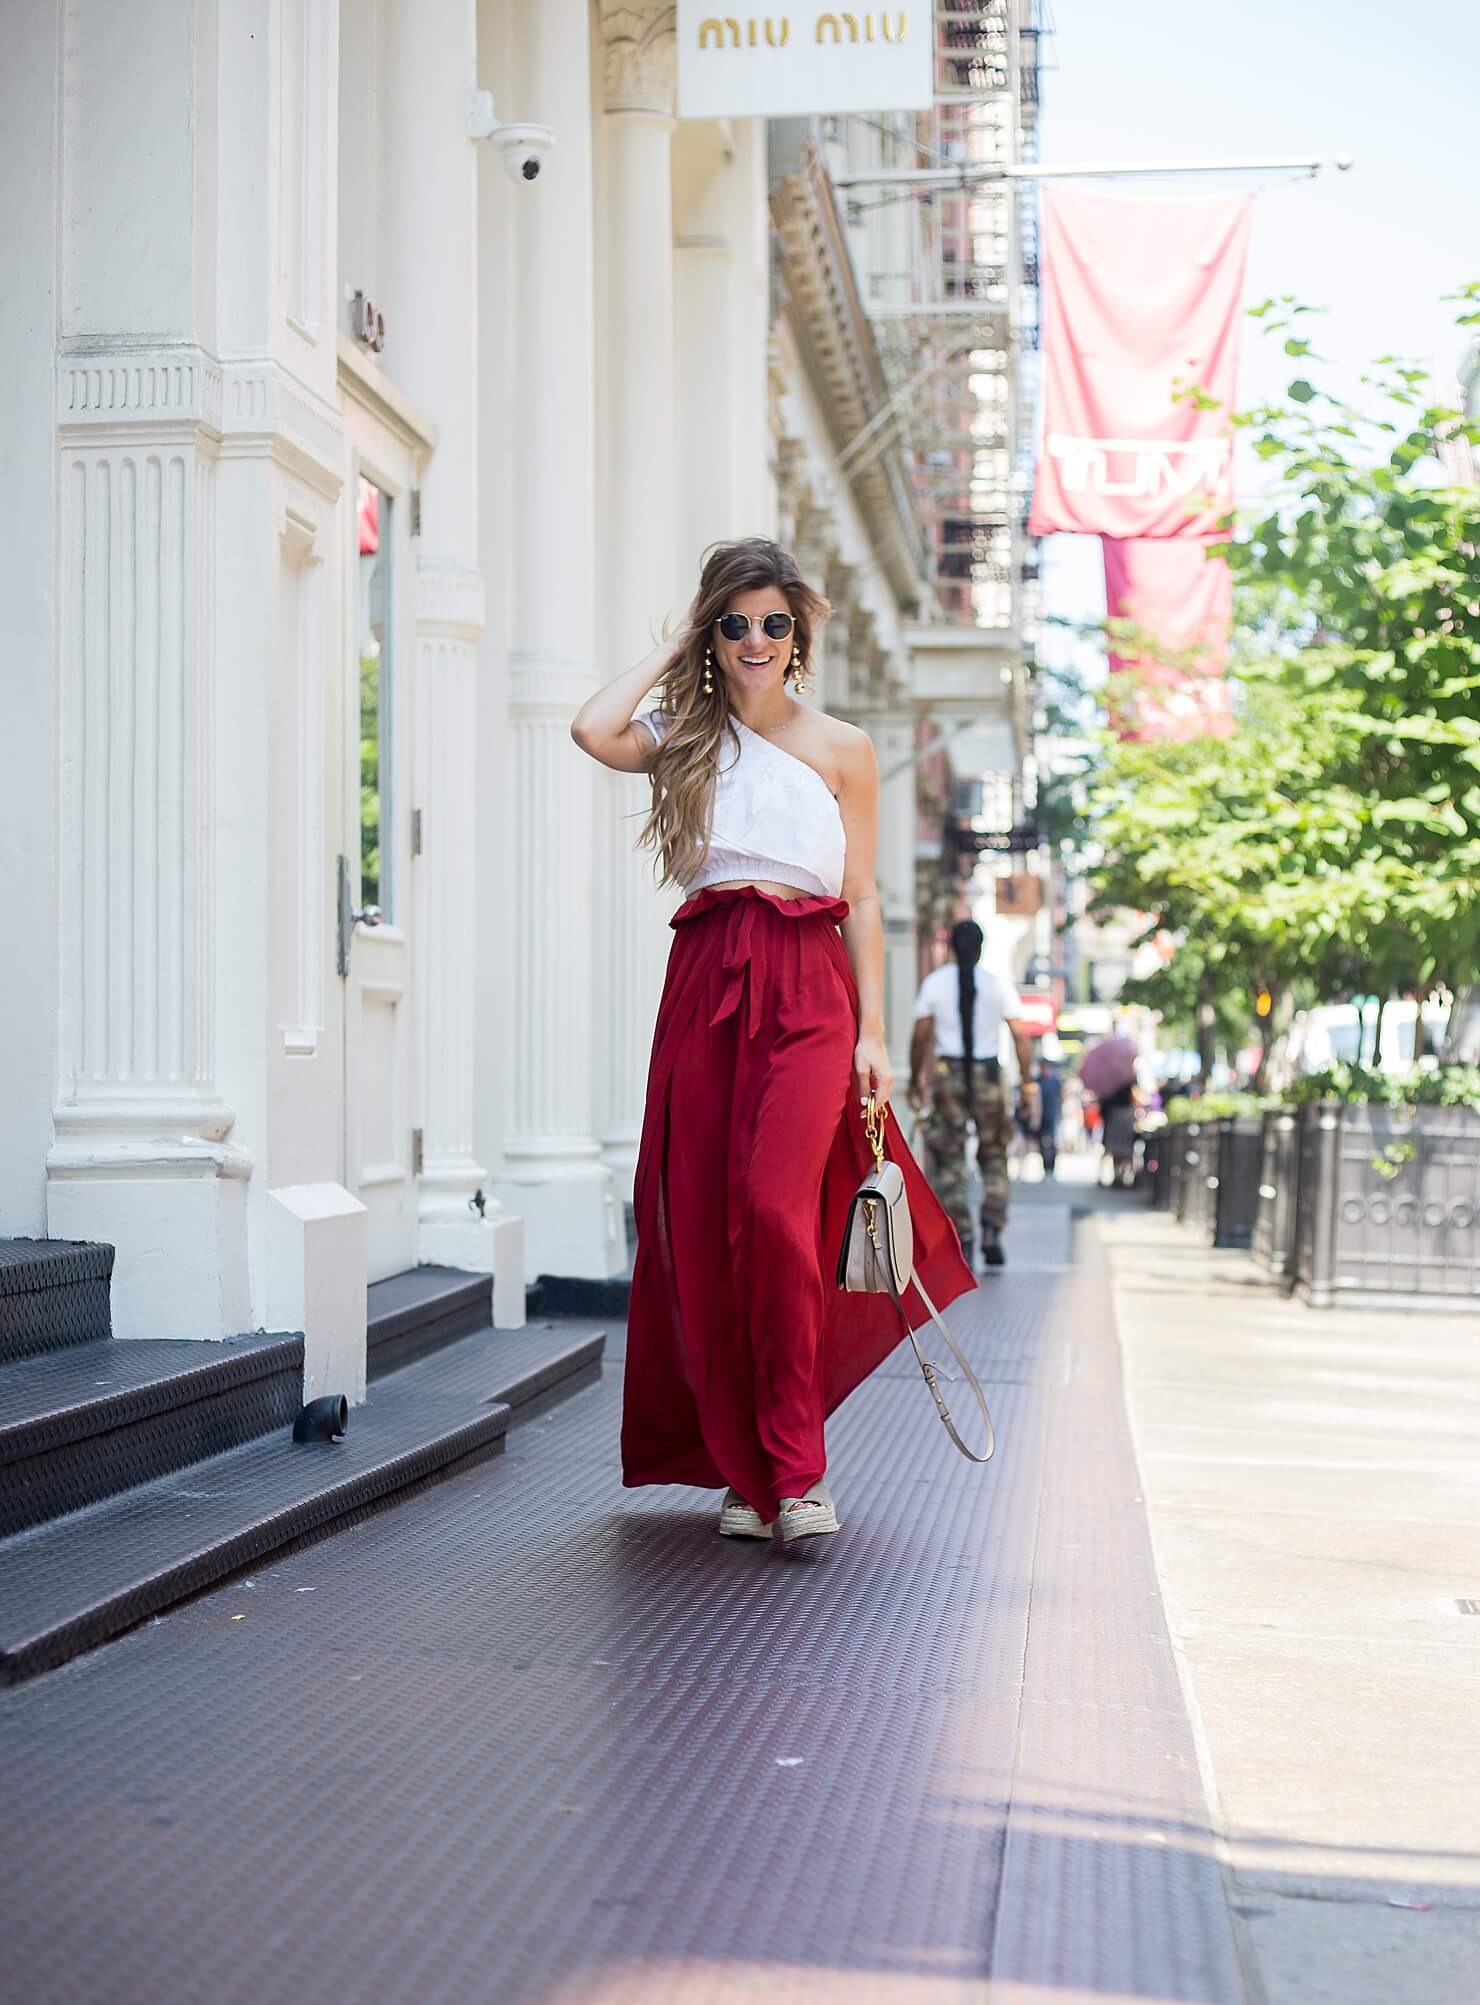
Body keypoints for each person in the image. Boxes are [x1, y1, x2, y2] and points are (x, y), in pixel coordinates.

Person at [570, 538, 974, 1549]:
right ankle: (744, 1475)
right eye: (735, 623)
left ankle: (796, 1471)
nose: (755, 640)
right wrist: (676, 654)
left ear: (799, 636)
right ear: (714, 632)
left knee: (773, 1212)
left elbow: (866, 896)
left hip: (804, 980)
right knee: (705, 1224)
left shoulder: (843, 747)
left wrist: (873, 1030)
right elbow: (591, 728)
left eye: (773, 624)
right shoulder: (684, 736)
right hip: (707, 972)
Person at [909, 921, 1035, 1270]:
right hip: (988, 1075)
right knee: (994, 1153)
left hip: (948, 1076)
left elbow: (921, 1036)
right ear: (979, 949)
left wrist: (918, 1078)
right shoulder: (998, 986)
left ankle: (961, 1235)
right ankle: (992, 1228)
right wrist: (1027, 1083)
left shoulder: (934, 984)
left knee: (947, 1157)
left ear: (950, 947)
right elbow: (1021, 1036)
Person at [1037, 1058, 1063, 1178]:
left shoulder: (1055, 1081)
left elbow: (1060, 1098)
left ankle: (1051, 1168)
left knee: (1051, 1143)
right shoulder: (1038, 1081)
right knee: (1042, 1144)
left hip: (1052, 1116)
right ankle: (1045, 1168)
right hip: (1040, 1116)